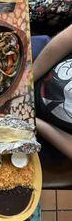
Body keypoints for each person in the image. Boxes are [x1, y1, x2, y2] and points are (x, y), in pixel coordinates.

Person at [33, 24, 72, 159]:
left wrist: (32, 121)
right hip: (43, 61)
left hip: (49, 132)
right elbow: (69, 37)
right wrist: (27, 80)